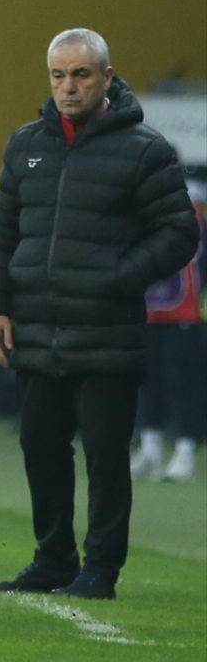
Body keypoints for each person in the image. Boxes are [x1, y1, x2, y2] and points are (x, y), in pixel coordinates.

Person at [0, 28, 198, 600]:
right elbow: (0, 235)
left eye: (80, 75)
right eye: (58, 75)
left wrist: (117, 278)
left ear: (106, 77)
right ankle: (53, 560)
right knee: (40, 448)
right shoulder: (24, 145)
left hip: (106, 330)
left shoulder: (145, 150)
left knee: (105, 456)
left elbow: (180, 233)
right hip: (34, 327)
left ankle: (100, 570)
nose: (68, 87)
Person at [130, 170, 205, 482]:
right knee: (147, 381)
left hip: (185, 312)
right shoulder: (140, 206)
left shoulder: (193, 207)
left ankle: (185, 451)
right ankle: (150, 449)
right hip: (149, 309)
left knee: (182, 383)